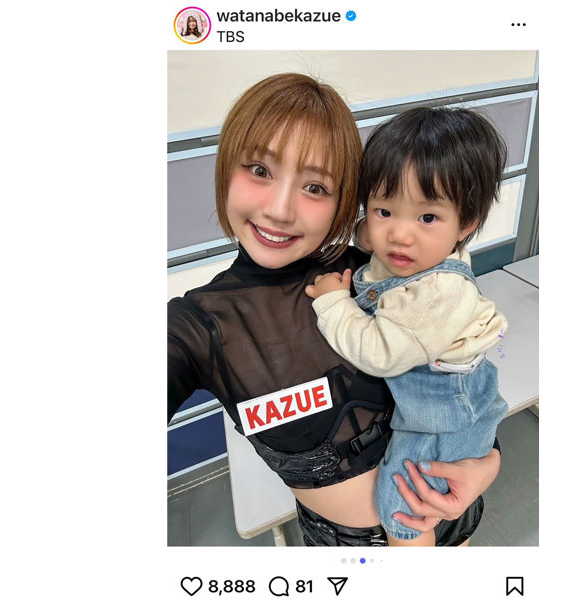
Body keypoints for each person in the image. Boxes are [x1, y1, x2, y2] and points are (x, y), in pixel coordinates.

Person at [168, 73, 502, 546]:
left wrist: (487, 463)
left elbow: (459, 379)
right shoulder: (197, 328)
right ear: (226, 170)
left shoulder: (380, 270)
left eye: (315, 187)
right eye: (260, 170)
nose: (280, 210)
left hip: (452, 513)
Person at [304, 107, 509, 546]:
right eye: (384, 210)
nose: (399, 235)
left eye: (427, 218)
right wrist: (370, 228)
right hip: (447, 395)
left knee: (403, 502)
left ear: (466, 224)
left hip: (442, 414)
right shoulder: (412, 250)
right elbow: (376, 234)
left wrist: (334, 303)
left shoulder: (436, 291)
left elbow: (380, 354)